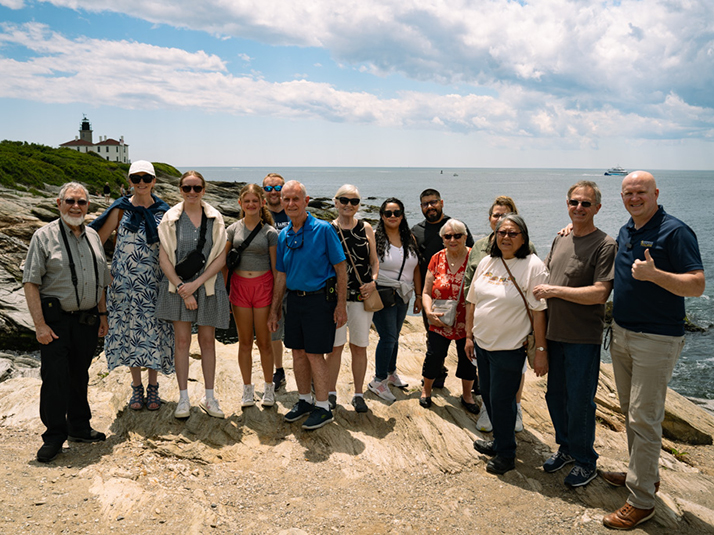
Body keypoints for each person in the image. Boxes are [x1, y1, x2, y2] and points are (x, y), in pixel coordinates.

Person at [601, 171, 705, 530]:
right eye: (628, 193)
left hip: (656, 339)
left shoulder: (675, 232)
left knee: (644, 418)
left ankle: (642, 501)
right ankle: (642, 475)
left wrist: (656, 275)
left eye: (641, 192)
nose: (634, 198)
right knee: (631, 412)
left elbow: (696, 285)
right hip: (622, 333)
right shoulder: (627, 230)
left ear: (656, 193)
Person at [532, 181, 616, 488]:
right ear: (567, 204)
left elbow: (599, 294)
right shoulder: (560, 238)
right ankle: (566, 448)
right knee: (556, 396)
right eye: (574, 202)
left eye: (585, 203)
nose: (579, 207)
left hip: (582, 337)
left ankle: (585, 460)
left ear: (597, 208)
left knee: (580, 401)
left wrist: (554, 291)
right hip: (554, 333)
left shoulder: (605, 244)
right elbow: (545, 270)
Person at [23, 182, 111, 463]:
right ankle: (53, 437)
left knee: (80, 375)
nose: (76, 206)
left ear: (88, 206)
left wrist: (103, 315)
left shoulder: (94, 236)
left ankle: (79, 427)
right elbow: (31, 282)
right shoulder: (43, 236)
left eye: (82, 202)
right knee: (55, 380)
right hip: (56, 322)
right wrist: (39, 325)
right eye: (70, 201)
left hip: (87, 319)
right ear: (58, 203)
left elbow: (100, 281)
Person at [466, 214, 548, 475]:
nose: (506, 237)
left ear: (524, 238)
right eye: (502, 232)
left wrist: (541, 350)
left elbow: (539, 312)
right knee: (489, 396)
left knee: (502, 400)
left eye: (513, 233)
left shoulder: (533, 266)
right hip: (483, 344)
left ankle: (507, 454)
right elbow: (473, 301)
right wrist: (469, 336)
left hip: (510, 348)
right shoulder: (488, 261)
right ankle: (500, 442)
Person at [90, 160, 174, 412]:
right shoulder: (119, 209)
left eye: (146, 178)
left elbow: (174, 247)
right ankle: (136, 388)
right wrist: (107, 275)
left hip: (154, 285)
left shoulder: (164, 211)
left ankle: (153, 387)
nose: (141, 183)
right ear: (129, 181)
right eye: (136, 179)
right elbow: (96, 242)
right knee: (129, 334)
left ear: (154, 181)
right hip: (124, 286)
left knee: (154, 334)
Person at [267, 180, 347, 430]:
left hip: (319, 300)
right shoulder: (284, 234)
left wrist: (341, 305)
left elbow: (341, 269)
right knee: (298, 352)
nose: (290, 204)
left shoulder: (323, 230)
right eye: (286, 199)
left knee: (314, 353)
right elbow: (281, 274)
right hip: (295, 301)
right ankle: (304, 400)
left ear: (306, 201)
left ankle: (323, 407)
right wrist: (275, 308)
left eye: (295, 199)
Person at [157, 171, 230, 420]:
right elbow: (164, 257)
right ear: (180, 189)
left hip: (207, 286)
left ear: (203, 189)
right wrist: (182, 287)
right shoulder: (171, 218)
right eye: (187, 188)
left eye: (196, 188)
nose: (192, 192)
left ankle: (210, 398)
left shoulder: (215, 218)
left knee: (208, 342)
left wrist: (196, 284)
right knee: (182, 342)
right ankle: (183, 398)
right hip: (178, 288)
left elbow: (221, 256)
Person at [463, 196, 536, 433]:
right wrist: (469, 328)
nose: (501, 220)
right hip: (484, 323)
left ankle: (515, 408)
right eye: (496, 215)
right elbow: (469, 282)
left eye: (506, 215)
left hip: (513, 328)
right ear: (490, 219)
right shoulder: (479, 248)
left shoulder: (527, 251)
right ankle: (488, 406)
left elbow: (534, 295)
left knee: (515, 372)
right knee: (486, 372)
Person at [412, 188, 474, 388]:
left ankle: (473, 382)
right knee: (435, 342)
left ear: (441, 202)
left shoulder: (456, 226)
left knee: (467, 343)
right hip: (432, 294)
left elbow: (473, 257)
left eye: (433, 202)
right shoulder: (417, 231)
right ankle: (436, 376)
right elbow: (413, 265)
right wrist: (419, 296)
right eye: (425, 204)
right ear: (421, 207)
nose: (430, 206)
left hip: (463, 300)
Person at [225, 184, 278, 408]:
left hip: (264, 287)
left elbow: (277, 269)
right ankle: (247, 389)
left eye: (255, 201)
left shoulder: (270, 232)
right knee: (244, 342)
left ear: (262, 203)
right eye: (246, 201)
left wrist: (277, 303)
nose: (251, 205)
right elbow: (224, 263)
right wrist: (226, 292)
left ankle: (268, 388)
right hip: (239, 288)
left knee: (265, 343)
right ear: (240, 203)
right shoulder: (232, 229)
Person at [327, 185, 379, 413]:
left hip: (362, 296)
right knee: (335, 348)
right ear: (336, 202)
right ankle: (330, 392)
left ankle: (358, 394)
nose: (349, 204)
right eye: (344, 200)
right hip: (335, 298)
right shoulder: (328, 229)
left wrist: (374, 281)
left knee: (359, 346)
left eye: (354, 201)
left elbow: (374, 261)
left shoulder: (366, 228)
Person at [420, 219, 478, 413]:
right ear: (442, 239)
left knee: (468, 358)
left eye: (457, 235)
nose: (452, 239)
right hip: (440, 319)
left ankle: (467, 395)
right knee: (434, 355)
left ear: (465, 237)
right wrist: (428, 312)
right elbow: (426, 291)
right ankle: (426, 390)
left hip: (467, 320)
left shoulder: (474, 258)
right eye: (448, 236)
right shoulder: (436, 258)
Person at [368, 198, 422, 402]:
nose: (393, 216)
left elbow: (415, 267)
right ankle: (378, 380)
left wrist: (417, 295)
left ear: (402, 215)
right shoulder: (374, 237)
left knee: (395, 336)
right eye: (388, 213)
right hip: (383, 292)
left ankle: (390, 372)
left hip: (404, 293)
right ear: (381, 215)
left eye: (397, 213)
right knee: (388, 337)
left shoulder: (409, 238)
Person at [262, 173, 290, 392]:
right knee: (273, 331)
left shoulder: (293, 213)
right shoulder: (261, 216)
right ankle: (278, 371)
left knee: (302, 329)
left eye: (277, 187)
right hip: (270, 283)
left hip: (296, 282)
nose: (274, 192)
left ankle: (308, 373)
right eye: (269, 188)